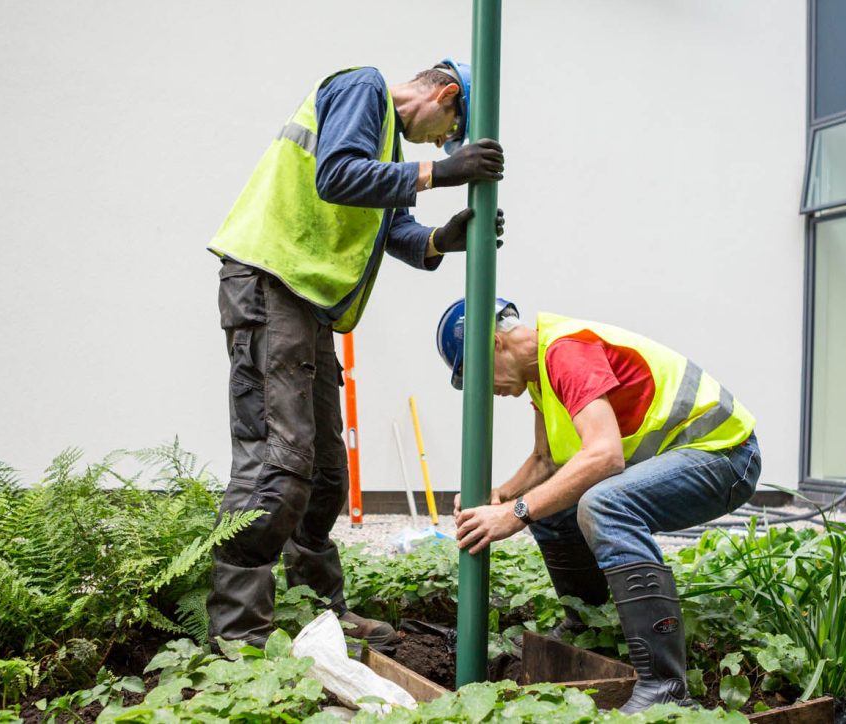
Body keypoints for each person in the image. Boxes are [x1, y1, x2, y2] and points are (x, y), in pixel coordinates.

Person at [204, 59, 505, 653]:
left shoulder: (388, 145)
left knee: (324, 476)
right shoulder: (362, 87)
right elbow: (337, 176)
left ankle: (318, 615)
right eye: (450, 128)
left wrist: (445, 238)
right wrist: (440, 171)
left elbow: (394, 230)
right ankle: (237, 641)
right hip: (271, 283)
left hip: (307, 303)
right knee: (278, 464)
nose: (443, 142)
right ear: (444, 94)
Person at [442, 299, 760, 712]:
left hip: (726, 455)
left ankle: (665, 687)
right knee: (555, 503)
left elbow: (606, 455)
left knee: (602, 503)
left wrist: (515, 513)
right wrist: (501, 495)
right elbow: (546, 460)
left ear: (497, 344)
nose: (488, 392)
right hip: (693, 457)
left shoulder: (565, 352)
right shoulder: (541, 376)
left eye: (479, 376)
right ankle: (586, 625)